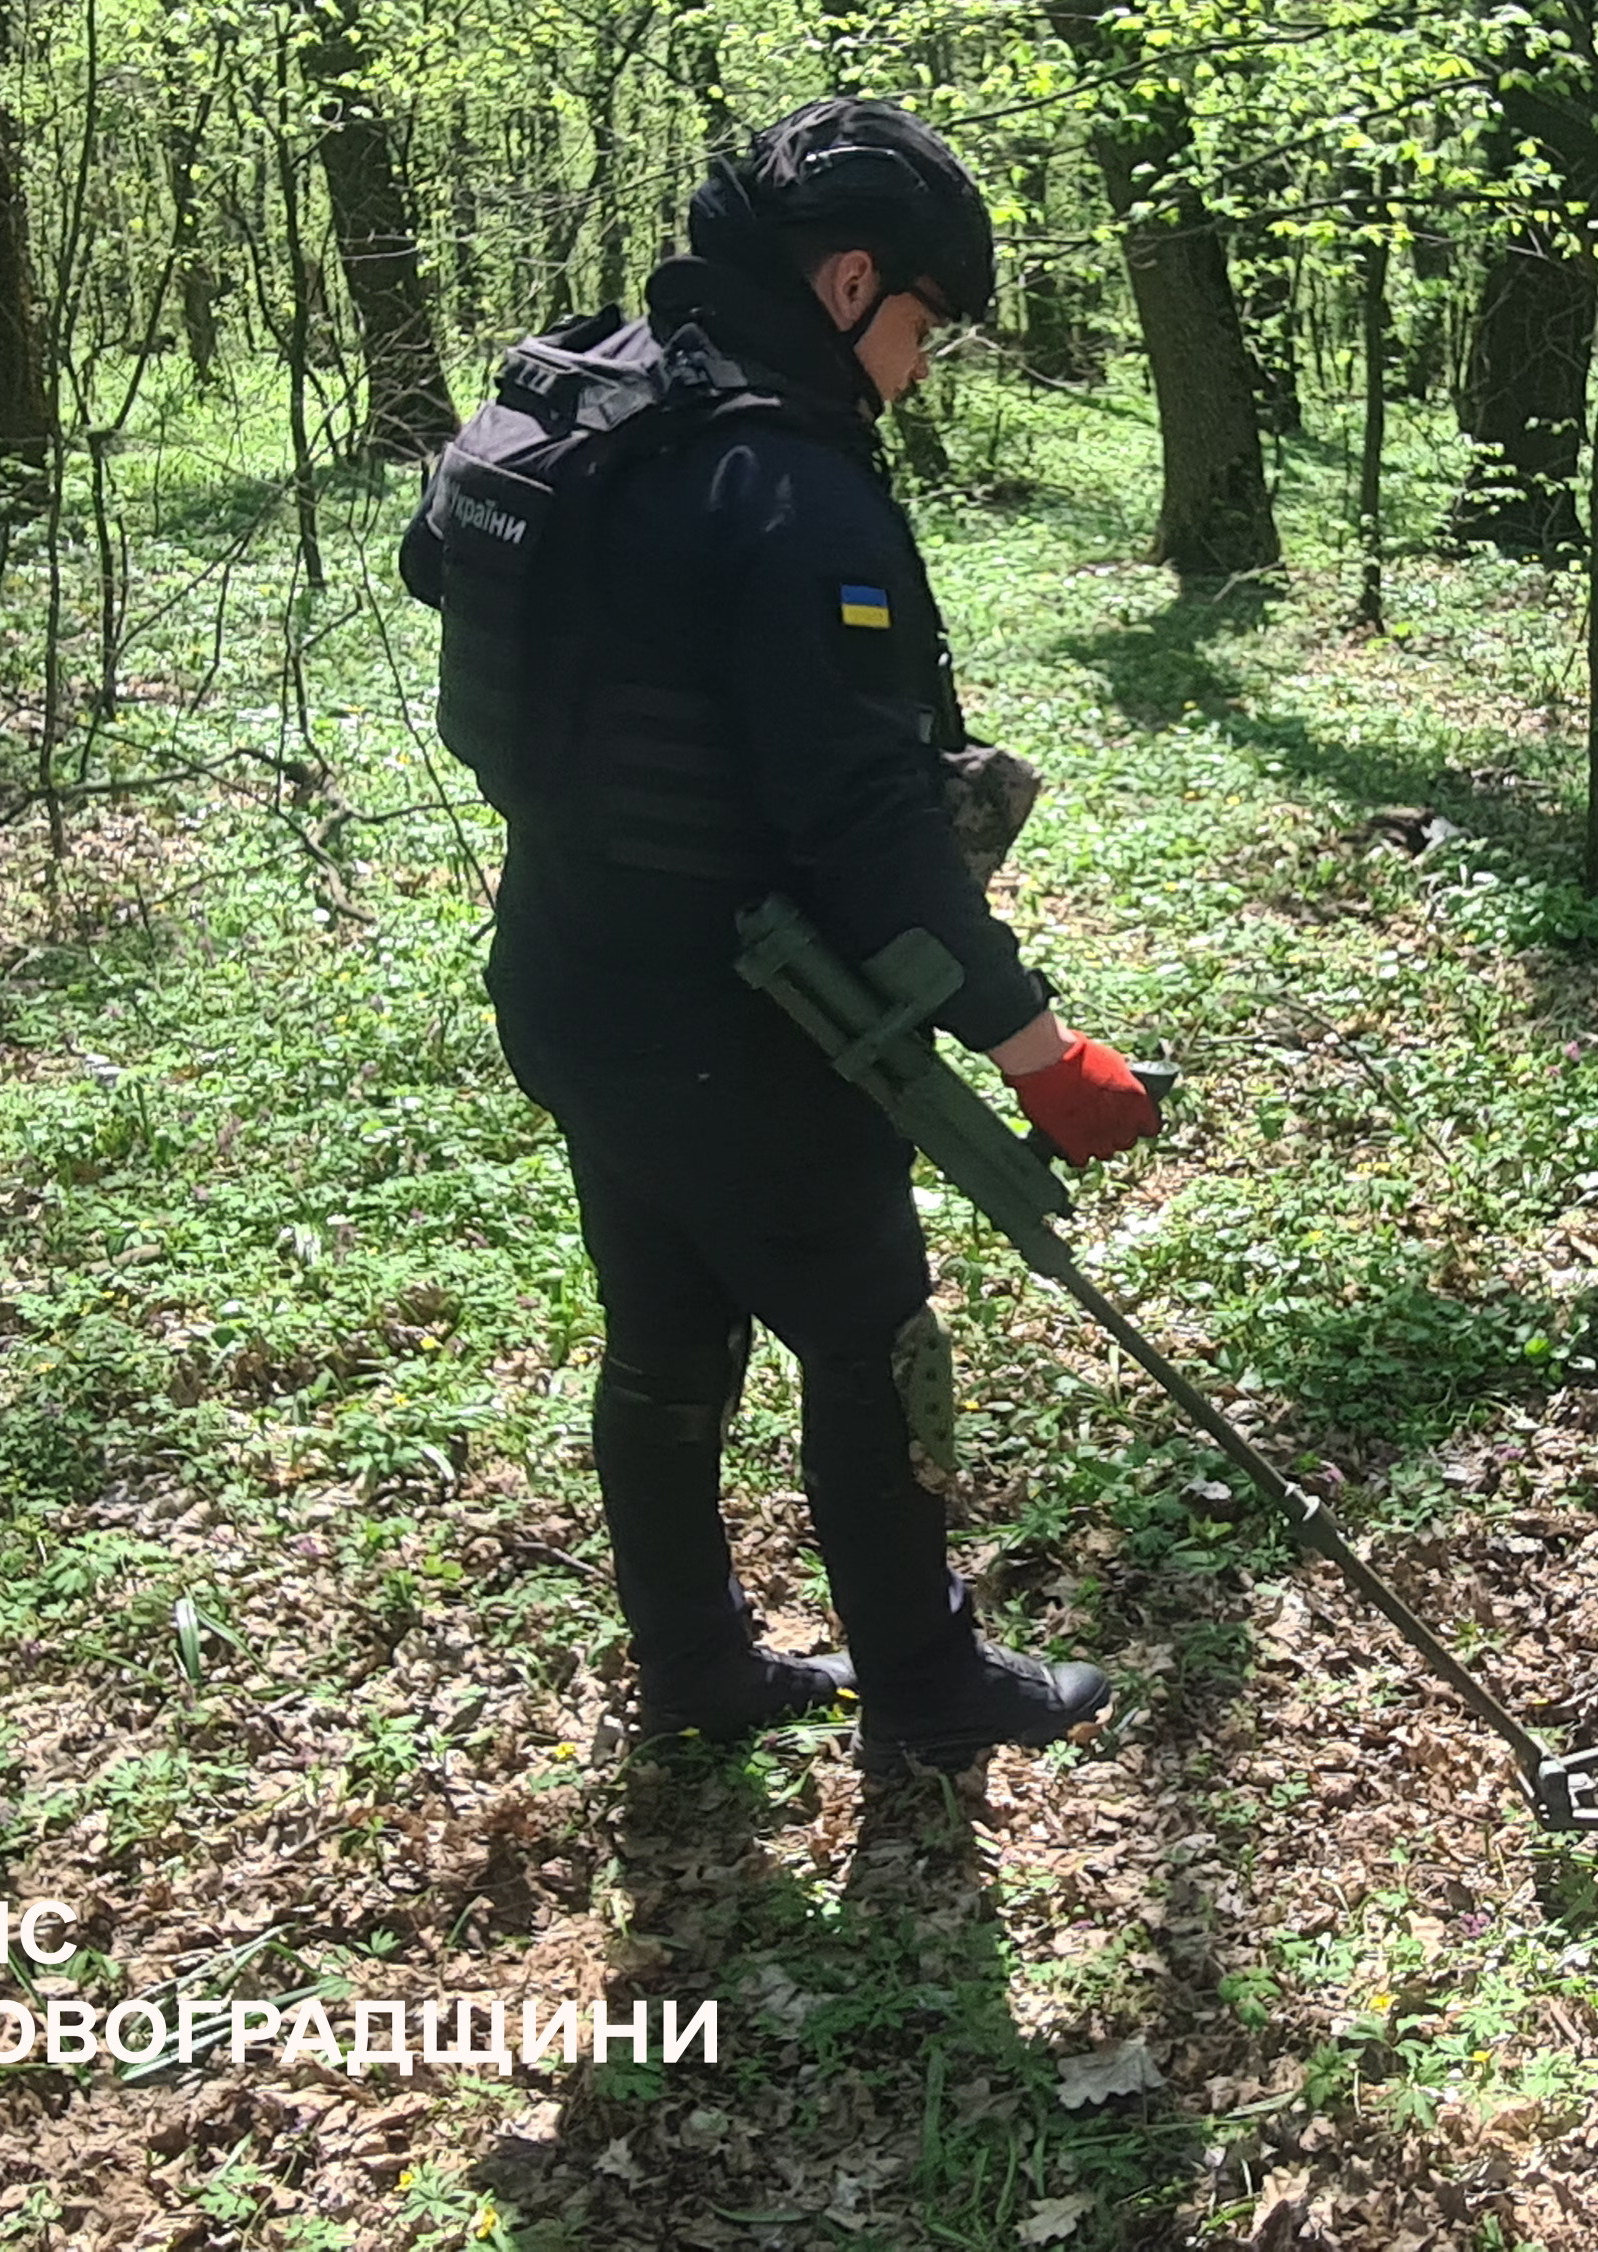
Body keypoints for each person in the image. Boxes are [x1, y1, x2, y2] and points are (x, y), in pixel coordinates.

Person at [398, 97, 1159, 1773]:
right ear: (850, 281)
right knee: (869, 1325)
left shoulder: (588, 403)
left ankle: (695, 1661)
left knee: (665, 1327)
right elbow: (865, 818)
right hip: (747, 1022)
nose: (923, 362)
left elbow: (432, 565)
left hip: (568, 979)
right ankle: (929, 1684)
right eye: (925, 325)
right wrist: (1039, 1051)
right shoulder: (785, 487)